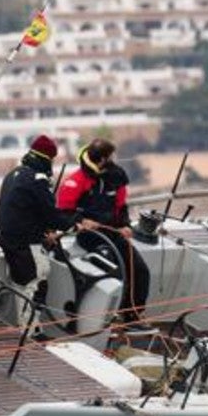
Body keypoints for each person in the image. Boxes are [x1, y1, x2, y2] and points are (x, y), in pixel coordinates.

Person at [0, 135, 96, 334]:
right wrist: (76, 224)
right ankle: (31, 335)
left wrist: (45, 232)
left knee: (21, 285)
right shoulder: (37, 180)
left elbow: (24, 210)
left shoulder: (14, 174)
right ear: (48, 159)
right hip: (25, 244)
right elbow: (52, 216)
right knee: (34, 284)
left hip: (8, 239)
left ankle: (30, 329)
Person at [57, 138, 151, 325]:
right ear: (102, 159)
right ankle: (107, 319)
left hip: (114, 234)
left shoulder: (116, 177)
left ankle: (133, 315)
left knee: (140, 271)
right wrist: (81, 221)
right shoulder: (76, 181)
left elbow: (121, 206)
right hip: (90, 238)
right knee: (113, 274)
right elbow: (63, 212)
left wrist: (125, 225)